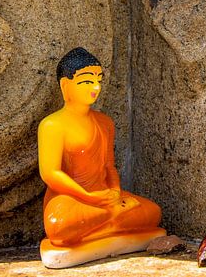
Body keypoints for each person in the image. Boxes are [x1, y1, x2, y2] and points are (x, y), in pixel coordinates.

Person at [38, 47, 164, 268]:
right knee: (59, 226)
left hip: (103, 195)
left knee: (153, 212)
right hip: (69, 199)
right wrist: (88, 196)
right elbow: (50, 173)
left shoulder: (104, 122)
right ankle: (113, 220)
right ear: (65, 85)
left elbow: (109, 166)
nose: (96, 87)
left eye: (98, 80)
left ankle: (97, 228)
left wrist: (114, 191)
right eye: (87, 81)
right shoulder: (52, 125)